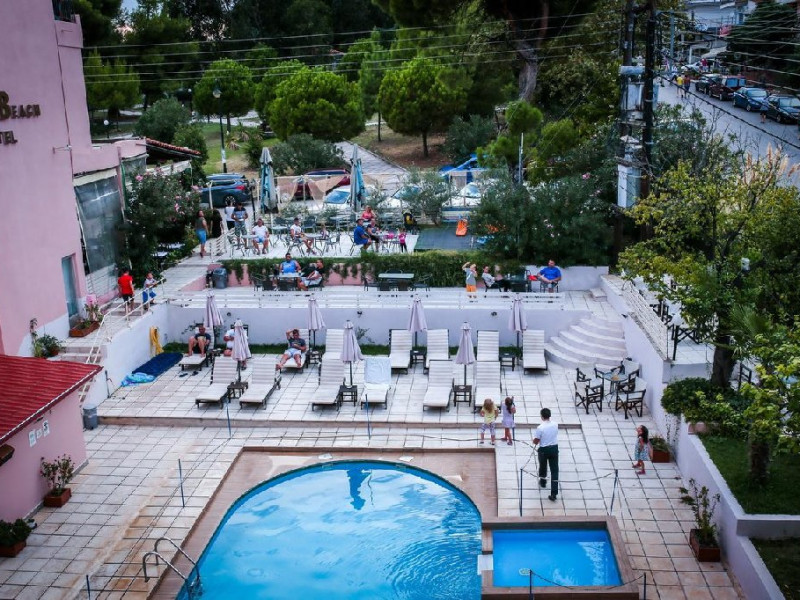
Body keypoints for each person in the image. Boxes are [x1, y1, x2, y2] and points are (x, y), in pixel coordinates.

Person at [533, 407, 559, 502]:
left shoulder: (540, 428)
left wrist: (534, 440)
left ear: (542, 416)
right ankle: (554, 493)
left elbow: (536, 441)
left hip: (544, 449)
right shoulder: (555, 424)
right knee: (555, 471)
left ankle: (543, 481)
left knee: (543, 466)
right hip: (554, 448)